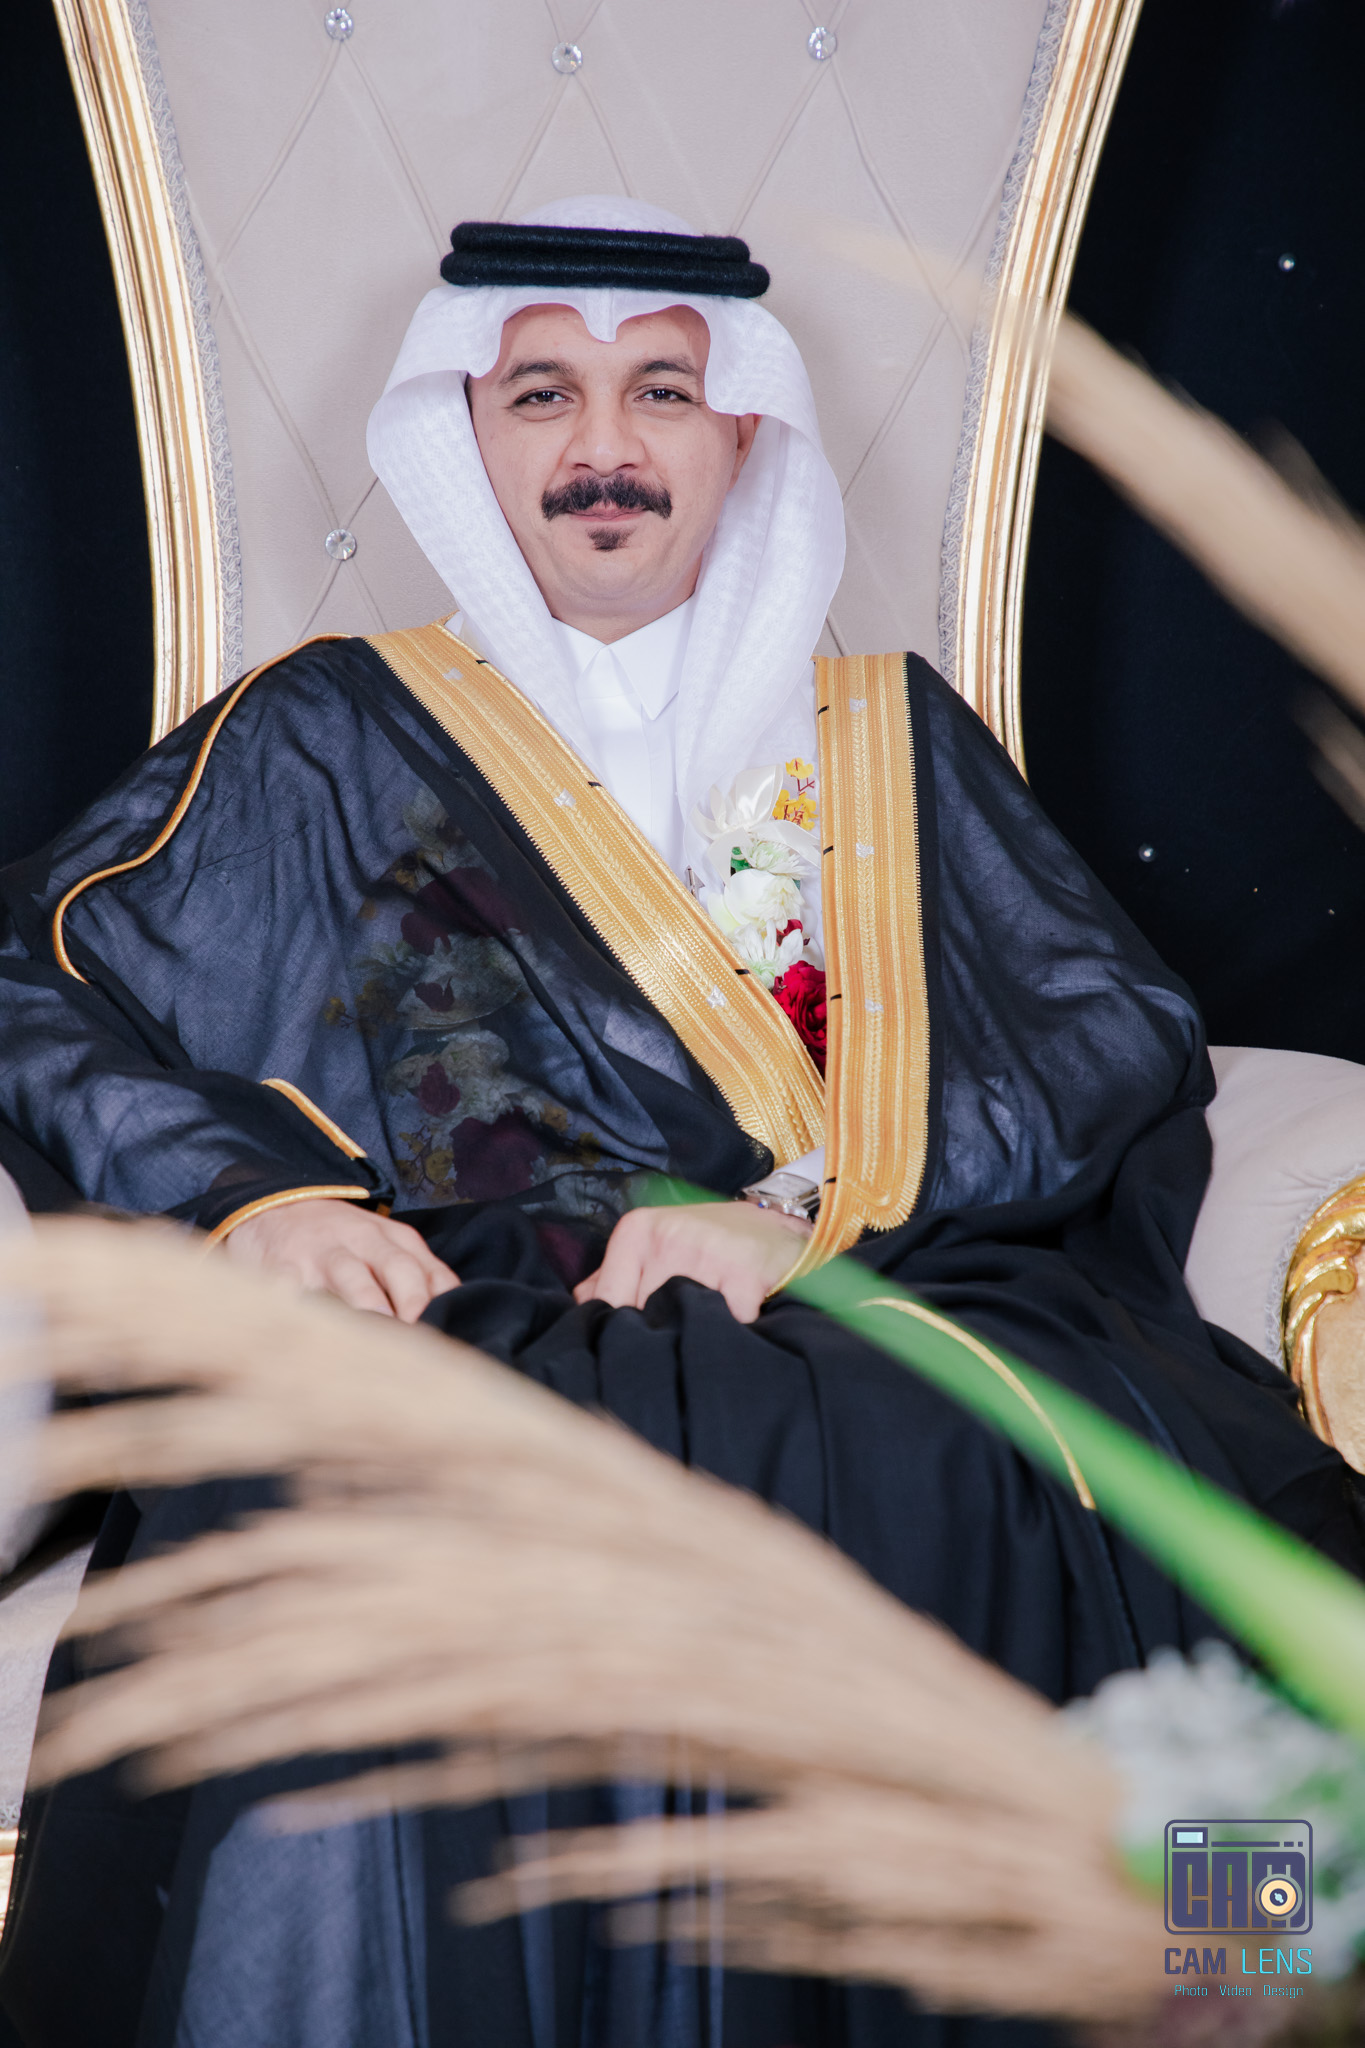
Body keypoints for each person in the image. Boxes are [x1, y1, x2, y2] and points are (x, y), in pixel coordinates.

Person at [0, 196, 1359, 2048]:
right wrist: (247, 1201)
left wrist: (808, 1204)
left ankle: (1236, 1997)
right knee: (410, 1518)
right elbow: (37, 975)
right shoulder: (324, 731)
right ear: (467, 439)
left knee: (1049, 1478)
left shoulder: (883, 730)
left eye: (660, 392)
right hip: (470, 1299)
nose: (603, 446)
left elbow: (1107, 1026)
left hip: (874, 1275)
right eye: (540, 396)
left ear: (741, 438)